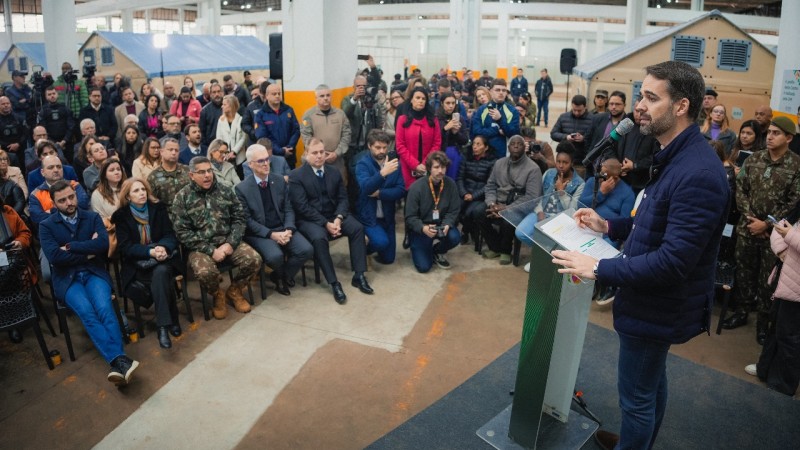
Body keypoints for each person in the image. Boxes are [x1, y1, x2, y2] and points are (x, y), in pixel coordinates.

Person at [550, 60, 729, 450]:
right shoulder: (674, 154)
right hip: (649, 301)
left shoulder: (697, 171)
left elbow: (673, 261)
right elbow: (655, 221)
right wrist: (608, 227)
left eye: (651, 97)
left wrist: (599, 266)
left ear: (681, 106)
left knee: (636, 398)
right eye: (639, 95)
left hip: (657, 305)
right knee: (649, 385)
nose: (639, 106)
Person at [39, 180, 139, 386]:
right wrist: (87, 252)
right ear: (54, 203)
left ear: (75, 194)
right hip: (67, 280)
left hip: (94, 273)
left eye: (71, 197)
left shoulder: (91, 217)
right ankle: (120, 360)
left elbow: (102, 245)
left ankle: (117, 362)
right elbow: (55, 257)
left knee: (104, 309)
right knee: (87, 312)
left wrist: (72, 247)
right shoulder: (46, 226)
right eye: (62, 200)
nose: (69, 202)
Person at [723, 116, 800, 344]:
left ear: (789, 138)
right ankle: (741, 312)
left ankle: (764, 323)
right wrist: (752, 220)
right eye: (769, 133)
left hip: (776, 235)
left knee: (768, 279)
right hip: (748, 229)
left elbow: (795, 201)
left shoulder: (796, 165)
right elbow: (741, 189)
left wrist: (766, 224)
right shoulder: (754, 159)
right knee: (745, 272)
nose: (770, 136)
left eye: (776, 133)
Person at [171, 156, 261, 319]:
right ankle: (217, 294)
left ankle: (235, 291)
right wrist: (210, 250)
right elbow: (182, 233)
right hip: (200, 247)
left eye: (209, 171)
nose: (207, 175)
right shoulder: (182, 197)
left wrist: (230, 244)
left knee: (254, 259)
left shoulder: (226, 190)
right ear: (191, 175)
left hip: (227, 241)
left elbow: (239, 219)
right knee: (205, 273)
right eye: (201, 172)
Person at [288, 139, 372, 304]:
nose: (319, 156)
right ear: (306, 154)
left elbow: (343, 198)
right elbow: (302, 207)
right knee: (319, 238)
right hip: (310, 220)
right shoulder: (296, 176)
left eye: (322, 152)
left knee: (357, 228)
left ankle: (359, 275)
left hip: (334, 216)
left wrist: (339, 218)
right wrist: (326, 224)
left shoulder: (334, 172)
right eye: (315, 153)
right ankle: (334, 283)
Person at [113, 178, 184, 349]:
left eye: (143, 189)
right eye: (136, 191)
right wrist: (149, 252)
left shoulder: (158, 208)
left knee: (160, 273)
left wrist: (162, 248)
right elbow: (125, 247)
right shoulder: (121, 216)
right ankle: (172, 320)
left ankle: (162, 327)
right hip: (138, 264)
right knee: (162, 278)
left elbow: (170, 234)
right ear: (128, 197)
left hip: (162, 259)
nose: (141, 193)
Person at [235, 144, 313, 296]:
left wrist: (289, 229)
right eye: (260, 161)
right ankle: (283, 278)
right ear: (250, 164)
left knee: (306, 250)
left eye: (267, 159)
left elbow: (288, 208)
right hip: (261, 233)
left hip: (283, 227)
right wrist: (271, 234)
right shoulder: (242, 189)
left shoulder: (279, 180)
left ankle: (280, 276)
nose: (266, 164)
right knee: (275, 256)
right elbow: (248, 221)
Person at [745, 203, 800, 397]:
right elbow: (780, 229)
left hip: (797, 288)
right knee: (775, 327)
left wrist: (790, 236)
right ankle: (765, 369)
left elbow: (788, 233)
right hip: (784, 279)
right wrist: (781, 251)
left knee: (790, 336)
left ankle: (783, 385)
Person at [515, 141, 585, 272]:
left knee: (551, 235)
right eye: (558, 161)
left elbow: (572, 211)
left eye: (565, 162)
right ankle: (545, 255)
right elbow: (538, 196)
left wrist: (561, 193)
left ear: (572, 163)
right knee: (521, 232)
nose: (561, 165)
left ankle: (541, 258)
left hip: (561, 219)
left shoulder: (579, 184)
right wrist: (539, 211)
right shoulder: (549, 173)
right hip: (542, 213)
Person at [480, 135, 543, 265]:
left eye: (519, 144)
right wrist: (492, 204)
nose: (515, 146)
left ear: (524, 147)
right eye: (512, 143)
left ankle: (505, 251)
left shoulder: (533, 169)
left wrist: (506, 209)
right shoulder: (499, 163)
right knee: (478, 212)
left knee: (508, 220)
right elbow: (490, 185)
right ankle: (495, 247)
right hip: (497, 202)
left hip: (519, 205)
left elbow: (532, 197)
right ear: (508, 147)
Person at [404, 151, 461, 272]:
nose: (440, 170)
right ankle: (419, 246)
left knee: (455, 237)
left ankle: (437, 251)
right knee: (424, 267)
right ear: (429, 168)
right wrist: (422, 228)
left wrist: (447, 224)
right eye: (436, 167)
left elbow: (454, 210)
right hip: (422, 228)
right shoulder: (416, 187)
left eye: (443, 167)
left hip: (441, 225)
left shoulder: (450, 184)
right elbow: (410, 217)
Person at [354, 130, 406, 265]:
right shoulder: (362, 164)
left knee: (388, 259)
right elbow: (366, 188)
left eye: (384, 147)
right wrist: (382, 173)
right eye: (377, 147)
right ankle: (362, 249)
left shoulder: (395, 164)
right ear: (369, 146)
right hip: (369, 217)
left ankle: (374, 243)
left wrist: (380, 194)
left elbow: (401, 190)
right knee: (381, 243)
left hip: (387, 217)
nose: (381, 151)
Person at [301, 84, 351, 182]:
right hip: (316, 160)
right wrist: (320, 153)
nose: (326, 98)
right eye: (322, 96)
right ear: (316, 98)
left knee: (339, 187)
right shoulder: (308, 115)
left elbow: (347, 135)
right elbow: (306, 137)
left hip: (336, 159)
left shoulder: (340, 114)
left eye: (328, 95)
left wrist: (337, 153)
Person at [608, 96, 658, 194]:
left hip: (641, 185)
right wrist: (616, 165)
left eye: (642, 112)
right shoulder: (624, 125)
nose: (638, 115)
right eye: (636, 110)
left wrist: (634, 166)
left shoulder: (655, 131)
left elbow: (656, 157)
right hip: (619, 179)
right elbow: (610, 146)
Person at [396, 87, 442, 190]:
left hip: (428, 166)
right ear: (411, 100)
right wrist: (415, 165)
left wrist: (425, 163)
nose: (420, 101)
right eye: (417, 98)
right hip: (408, 167)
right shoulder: (402, 120)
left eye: (423, 98)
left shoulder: (433, 120)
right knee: (411, 197)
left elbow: (437, 143)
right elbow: (400, 146)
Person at [456, 135, 497, 246]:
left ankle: (466, 231)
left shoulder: (492, 162)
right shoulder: (466, 157)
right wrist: (464, 193)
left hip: (480, 195)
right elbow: (460, 178)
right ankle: (468, 230)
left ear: (486, 147)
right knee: (456, 209)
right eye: (474, 143)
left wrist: (473, 196)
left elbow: (489, 185)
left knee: (470, 213)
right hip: (465, 191)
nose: (474, 147)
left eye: (478, 144)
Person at [471, 79, 520, 159]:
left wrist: (500, 119)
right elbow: (476, 131)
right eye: (497, 90)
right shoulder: (481, 110)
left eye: (504, 90)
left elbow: (514, 133)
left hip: (503, 156)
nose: (501, 92)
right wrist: (496, 130)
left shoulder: (512, 111)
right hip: (484, 157)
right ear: (490, 92)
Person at [255, 84, 301, 168]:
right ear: (267, 96)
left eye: (279, 93)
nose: (277, 96)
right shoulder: (260, 115)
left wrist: (289, 147)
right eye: (274, 94)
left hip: (290, 155)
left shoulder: (288, 110)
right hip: (272, 157)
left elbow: (296, 130)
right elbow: (263, 137)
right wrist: (280, 151)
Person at [550, 94, 593, 177]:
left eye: (579, 110)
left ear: (585, 107)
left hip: (581, 162)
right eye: (574, 110)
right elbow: (553, 134)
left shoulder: (593, 119)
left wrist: (583, 139)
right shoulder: (563, 117)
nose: (576, 113)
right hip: (564, 162)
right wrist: (566, 137)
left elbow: (596, 138)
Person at [147, 138, 190, 211]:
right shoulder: (153, 176)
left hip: (188, 214)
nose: (174, 153)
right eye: (170, 150)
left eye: (176, 150)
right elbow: (151, 201)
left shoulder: (187, 171)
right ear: (161, 152)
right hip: (166, 216)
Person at [436, 92, 468, 180]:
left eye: (453, 103)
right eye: (448, 103)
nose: (451, 106)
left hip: (455, 152)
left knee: (453, 180)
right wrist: (445, 129)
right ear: (442, 103)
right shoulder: (436, 118)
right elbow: (433, 138)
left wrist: (455, 133)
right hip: (439, 152)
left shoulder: (459, 118)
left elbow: (465, 140)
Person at [37, 86, 75, 161]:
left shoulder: (65, 108)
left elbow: (71, 126)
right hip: (50, 144)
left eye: (54, 93)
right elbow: (43, 129)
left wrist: (64, 141)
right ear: (46, 96)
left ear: (57, 94)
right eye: (49, 94)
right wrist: (54, 144)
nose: (52, 96)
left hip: (67, 143)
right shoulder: (43, 110)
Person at [216, 94, 246, 172]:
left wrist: (234, 151)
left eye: (224, 104)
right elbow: (218, 138)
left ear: (231, 105)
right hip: (225, 157)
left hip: (240, 158)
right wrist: (224, 152)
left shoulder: (241, 120)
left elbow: (244, 138)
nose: (222, 106)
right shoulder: (221, 120)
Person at [0, 96, 27, 170]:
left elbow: (25, 133)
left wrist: (18, 144)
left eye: (7, 103)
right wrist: (7, 146)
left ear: (10, 104)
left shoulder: (19, 118)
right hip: (4, 152)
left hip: (20, 150)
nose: (6, 105)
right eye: (3, 104)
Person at [0, 150, 27, 218]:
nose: (3, 162)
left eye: (5, 159)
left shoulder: (13, 184)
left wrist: (9, 217)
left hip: (12, 214)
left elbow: (21, 199)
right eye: (0, 160)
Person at [199, 83, 224, 148]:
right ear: (210, 94)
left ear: (222, 93)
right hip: (211, 145)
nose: (217, 94)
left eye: (218, 91)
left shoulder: (229, 107)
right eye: (214, 92)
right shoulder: (205, 110)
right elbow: (202, 131)